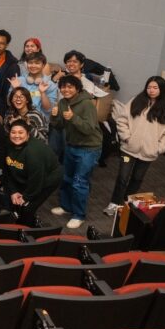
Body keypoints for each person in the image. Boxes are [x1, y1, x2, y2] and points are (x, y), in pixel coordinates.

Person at [104, 76, 165, 215]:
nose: (151, 90)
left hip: (148, 153)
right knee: (123, 177)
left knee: (137, 178)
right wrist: (126, 137)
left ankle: (126, 205)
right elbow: (122, 120)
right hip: (128, 150)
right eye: (149, 87)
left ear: (162, 89)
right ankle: (114, 203)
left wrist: (158, 148)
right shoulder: (136, 101)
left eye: (155, 88)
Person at [49, 75, 102, 229]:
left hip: (89, 148)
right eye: (63, 87)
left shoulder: (87, 104)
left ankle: (79, 215)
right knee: (66, 178)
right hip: (71, 145)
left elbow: (89, 129)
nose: (66, 89)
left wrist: (73, 118)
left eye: (70, 87)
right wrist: (54, 117)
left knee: (79, 182)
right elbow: (59, 126)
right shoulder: (63, 102)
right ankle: (66, 206)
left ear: (77, 88)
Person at [2, 120, 62, 226]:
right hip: (24, 174)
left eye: (21, 132)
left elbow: (36, 180)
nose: (16, 136)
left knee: (27, 208)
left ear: (28, 134)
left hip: (46, 179)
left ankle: (25, 232)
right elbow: (7, 170)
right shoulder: (7, 144)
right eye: (13, 132)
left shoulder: (33, 152)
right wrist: (13, 191)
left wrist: (25, 197)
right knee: (15, 203)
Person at [10, 52, 58, 122]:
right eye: (30, 63)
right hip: (18, 120)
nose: (33, 66)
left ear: (43, 65)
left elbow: (48, 109)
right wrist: (16, 89)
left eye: (37, 63)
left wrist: (42, 93)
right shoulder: (19, 81)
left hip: (39, 122)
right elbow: (9, 102)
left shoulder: (50, 85)